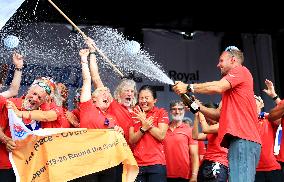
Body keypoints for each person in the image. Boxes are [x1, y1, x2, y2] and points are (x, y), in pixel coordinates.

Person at [173, 46, 261, 182]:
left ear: (233, 60)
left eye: (221, 61)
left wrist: (188, 87)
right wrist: (196, 106)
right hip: (239, 141)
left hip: (244, 139)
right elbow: (218, 115)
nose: (218, 64)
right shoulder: (231, 92)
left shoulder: (241, 70)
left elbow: (217, 86)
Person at [129, 85, 169, 182]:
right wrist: (143, 128)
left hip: (156, 164)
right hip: (138, 164)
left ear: (155, 100)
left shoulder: (161, 113)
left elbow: (161, 136)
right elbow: (132, 140)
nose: (143, 101)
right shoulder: (133, 114)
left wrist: (144, 120)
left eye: (147, 98)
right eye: (141, 98)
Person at [0, 52, 24, 182]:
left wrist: (19, 67)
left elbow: (13, 91)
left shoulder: (1, 100)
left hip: (4, 164)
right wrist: (5, 139)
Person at [192, 102, 228, 182]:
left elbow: (205, 129)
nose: (207, 118)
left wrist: (200, 111)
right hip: (206, 163)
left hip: (219, 163)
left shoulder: (223, 124)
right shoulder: (211, 129)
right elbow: (195, 136)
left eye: (207, 114)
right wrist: (196, 118)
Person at [163, 100, 199, 182]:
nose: (177, 111)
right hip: (163, 174)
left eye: (180, 109)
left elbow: (194, 155)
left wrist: (194, 176)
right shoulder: (163, 129)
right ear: (170, 111)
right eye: (174, 109)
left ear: (184, 110)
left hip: (183, 175)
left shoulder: (189, 130)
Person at [254, 95, 283, 182]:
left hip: (272, 167)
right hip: (254, 169)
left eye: (256, 100)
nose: (253, 103)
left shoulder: (269, 119)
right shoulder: (244, 122)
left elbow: (281, 118)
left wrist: (266, 115)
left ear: (261, 104)